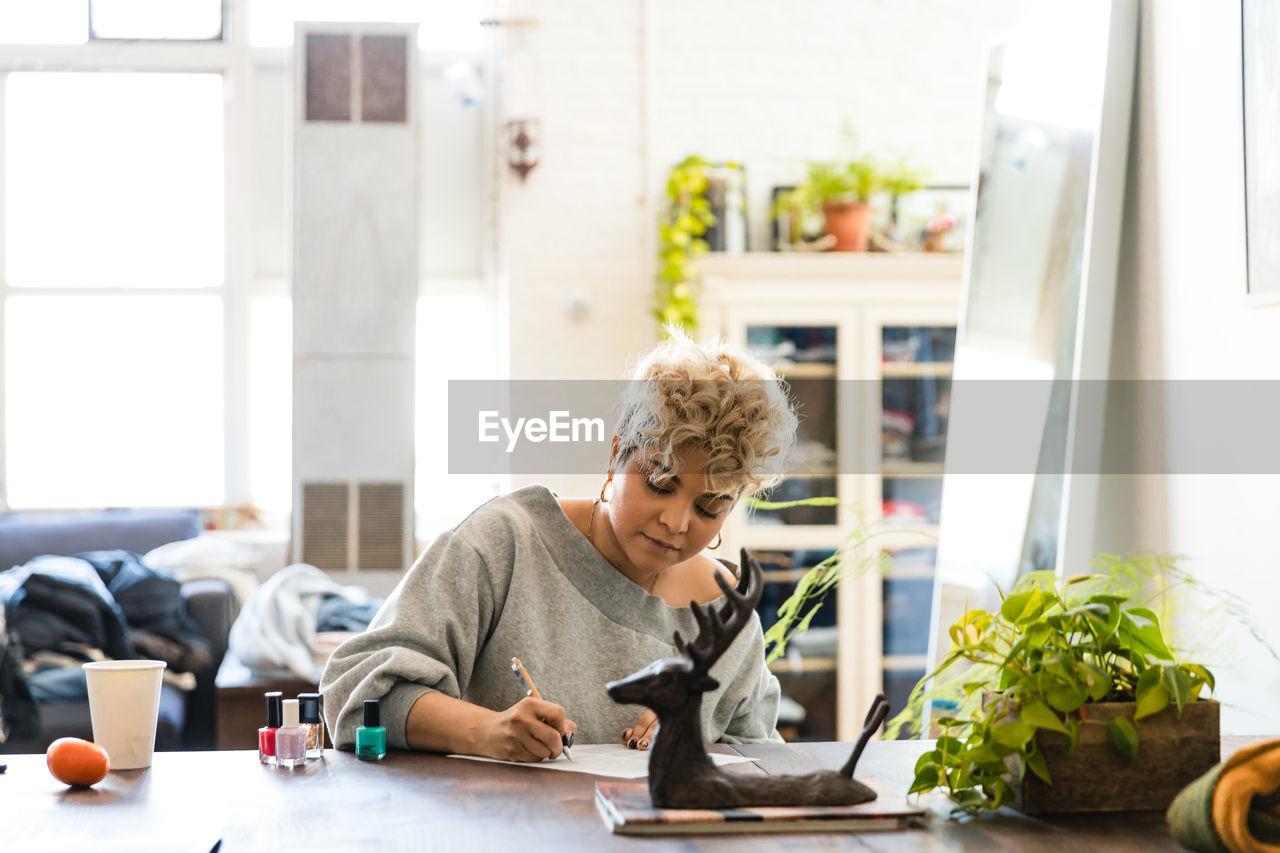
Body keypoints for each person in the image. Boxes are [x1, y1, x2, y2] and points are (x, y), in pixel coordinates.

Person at [320, 331, 799, 761]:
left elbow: (760, 760)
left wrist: (695, 740)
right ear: (617, 455)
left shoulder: (726, 617)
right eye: (659, 481)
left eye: (709, 507)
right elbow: (353, 690)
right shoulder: (507, 543)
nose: (676, 522)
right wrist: (485, 731)